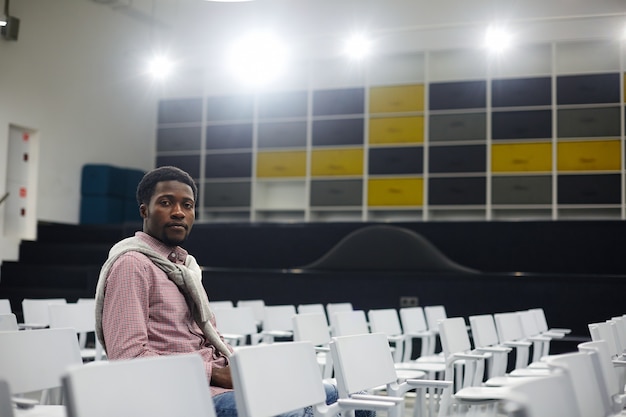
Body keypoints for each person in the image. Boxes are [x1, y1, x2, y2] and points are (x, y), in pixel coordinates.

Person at [94, 166, 371, 417]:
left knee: (353, 397)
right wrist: (217, 375)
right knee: (294, 411)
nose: (178, 211)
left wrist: (241, 369)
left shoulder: (185, 268)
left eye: (187, 205)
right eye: (166, 203)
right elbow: (128, 358)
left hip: (220, 386)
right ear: (144, 210)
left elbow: (210, 339)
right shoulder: (132, 265)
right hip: (180, 397)